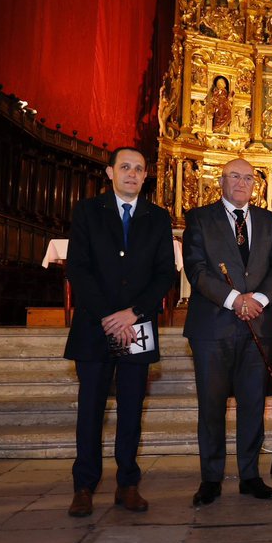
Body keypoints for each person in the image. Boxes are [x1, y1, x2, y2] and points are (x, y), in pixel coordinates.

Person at [64, 147, 177, 517]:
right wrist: (110, 316)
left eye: (139, 169)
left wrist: (133, 313)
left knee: (131, 409)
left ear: (146, 176)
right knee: (91, 409)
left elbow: (165, 273)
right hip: (95, 327)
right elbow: (78, 269)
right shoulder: (87, 211)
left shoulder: (157, 218)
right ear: (110, 172)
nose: (132, 173)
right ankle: (84, 485)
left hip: (138, 325)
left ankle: (128, 482)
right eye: (125, 167)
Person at [183, 159, 272, 506]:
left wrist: (257, 299)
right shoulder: (199, 218)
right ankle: (210, 478)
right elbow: (196, 270)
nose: (241, 183)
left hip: (258, 325)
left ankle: (250, 475)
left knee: (253, 404)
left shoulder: (267, 220)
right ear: (222, 181)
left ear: (255, 185)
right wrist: (234, 299)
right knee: (211, 406)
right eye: (235, 177)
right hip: (213, 326)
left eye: (248, 178)